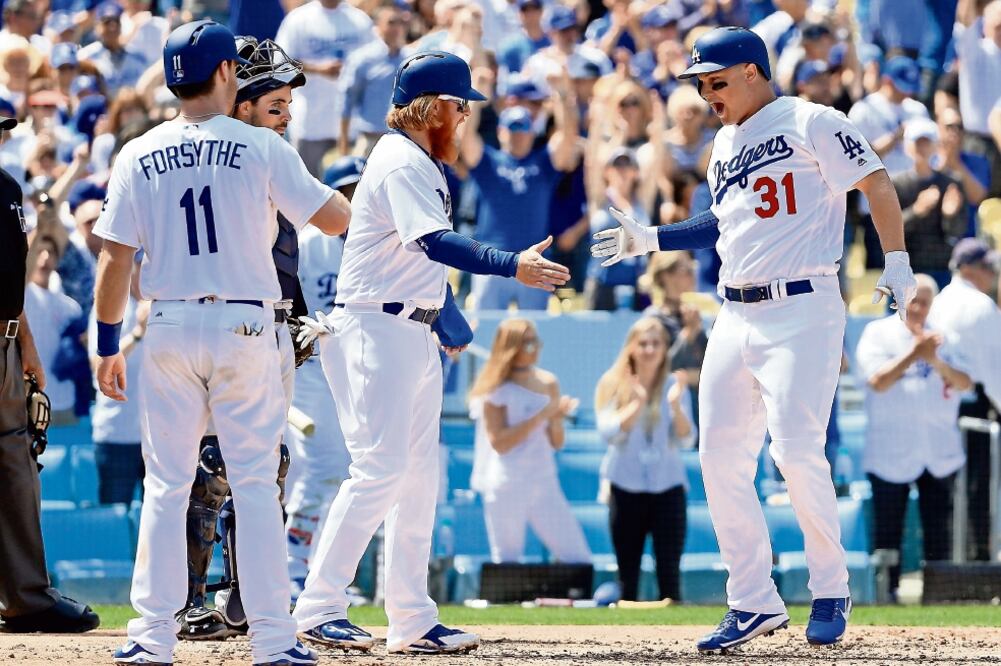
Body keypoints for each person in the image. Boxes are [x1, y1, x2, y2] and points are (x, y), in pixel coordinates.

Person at [592, 27, 916, 651]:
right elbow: (723, 217)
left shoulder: (811, 119)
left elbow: (874, 180)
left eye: (716, 80)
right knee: (718, 459)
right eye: (699, 83)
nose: (706, 93)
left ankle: (830, 587)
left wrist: (895, 261)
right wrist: (653, 238)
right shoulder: (724, 142)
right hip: (734, 312)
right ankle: (752, 601)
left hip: (803, 305)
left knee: (795, 452)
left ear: (751, 71)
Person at [291, 51, 569, 655]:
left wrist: (443, 312)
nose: (466, 117)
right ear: (434, 107)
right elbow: (434, 241)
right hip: (375, 329)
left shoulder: (417, 161)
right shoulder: (399, 159)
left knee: (418, 481)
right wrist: (509, 264)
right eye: (460, 105)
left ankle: (411, 617)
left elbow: (413, 255)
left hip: (406, 327)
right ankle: (317, 606)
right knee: (380, 471)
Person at [92, 20, 349, 666]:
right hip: (244, 324)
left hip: (171, 324)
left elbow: (114, 260)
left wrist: (106, 343)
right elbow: (331, 218)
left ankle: (151, 639)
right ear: (227, 75)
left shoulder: (137, 151)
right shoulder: (260, 146)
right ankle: (272, 639)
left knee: (166, 486)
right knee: (256, 485)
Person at [174, 34, 319, 642]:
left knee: (267, 466)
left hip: (265, 329)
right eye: (273, 107)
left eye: (288, 108)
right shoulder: (219, 162)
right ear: (239, 104)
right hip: (212, 328)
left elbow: (284, 259)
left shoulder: (270, 158)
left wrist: (300, 315)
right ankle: (189, 602)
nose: (284, 120)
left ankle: (241, 598)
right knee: (209, 469)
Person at [0, 109, 100, 635]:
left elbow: (10, 281)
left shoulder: (6, 187)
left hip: (5, 340)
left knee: (15, 463)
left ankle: (26, 599)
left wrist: (26, 346)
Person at [856, 274, 972, 600]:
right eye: (913, 300)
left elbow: (965, 382)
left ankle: (938, 595)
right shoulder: (877, 333)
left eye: (925, 301)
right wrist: (913, 353)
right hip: (890, 450)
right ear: (899, 300)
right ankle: (886, 593)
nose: (919, 308)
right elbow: (876, 381)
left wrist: (933, 358)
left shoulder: (946, 337)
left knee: (938, 532)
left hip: (938, 449)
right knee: (888, 529)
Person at [284, 156, 362, 597]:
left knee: (350, 473)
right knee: (320, 470)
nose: (352, 200)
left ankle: (325, 574)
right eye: (345, 191)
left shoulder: (375, 243)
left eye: (358, 191)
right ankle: (295, 568)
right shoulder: (310, 244)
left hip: (354, 371)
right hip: (313, 368)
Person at [468, 318, 589, 564]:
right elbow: (500, 443)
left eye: (535, 341)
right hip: (507, 483)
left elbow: (556, 442)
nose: (535, 347)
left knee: (577, 556)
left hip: (543, 479)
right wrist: (542, 415)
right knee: (507, 558)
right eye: (528, 342)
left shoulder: (548, 382)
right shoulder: (495, 389)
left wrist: (556, 419)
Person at [460, 65, 579, 311]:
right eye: (511, 128)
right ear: (501, 131)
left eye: (523, 128)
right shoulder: (488, 161)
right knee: (485, 329)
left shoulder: (543, 162)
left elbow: (568, 137)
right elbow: (465, 138)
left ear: (531, 132)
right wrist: (478, 97)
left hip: (534, 260)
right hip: (490, 260)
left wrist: (563, 95)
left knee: (532, 331)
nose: (518, 135)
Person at [595, 317, 694, 602]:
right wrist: (636, 403)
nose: (650, 350)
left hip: (668, 485)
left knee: (669, 574)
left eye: (656, 344)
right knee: (627, 575)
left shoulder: (674, 384)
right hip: (626, 486)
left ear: (665, 349)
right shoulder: (613, 383)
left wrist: (676, 407)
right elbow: (609, 432)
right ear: (632, 347)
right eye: (643, 344)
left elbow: (687, 438)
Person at [929, 238, 1001, 562]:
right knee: (979, 485)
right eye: (988, 267)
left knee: (950, 482)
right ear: (969, 268)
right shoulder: (981, 305)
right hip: (976, 402)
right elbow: (994, 367)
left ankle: (950, 559)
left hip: (943, 402)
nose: (993, 274)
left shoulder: (939, 301)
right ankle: (978, 558)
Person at [275, 0, 375, 175]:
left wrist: (351, 69)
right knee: (306, 188)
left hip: (352, 126)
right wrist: (317, 68)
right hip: (311, 125)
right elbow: (280, 63)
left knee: (348, 192)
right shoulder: (298, 19)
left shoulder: (360, 20)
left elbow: (375, 61)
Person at [87, 254, 148, 505]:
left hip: (159, 438)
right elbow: (97, 364)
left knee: (162, 525)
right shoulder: (108, 307)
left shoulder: (170, 308)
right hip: (116, 435)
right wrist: (137, 333)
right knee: (113, 521)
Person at [891, 118, 967, 288]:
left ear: (935, 146)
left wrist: (950, 215)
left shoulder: (951, 182)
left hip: (941, 268)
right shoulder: (895, 184)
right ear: (907, 146)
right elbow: (888, 230)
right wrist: (917, 211)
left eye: (927, 143)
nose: (922, 148)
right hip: (905, 267)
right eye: (917, 143)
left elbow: (957, 231)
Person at [338, 2, 409, 157]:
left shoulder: (409, 59)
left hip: (402, 141)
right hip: (369, 140)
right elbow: (347, 102)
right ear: (378, 25)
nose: (397, 28)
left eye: (401, 22)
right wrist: (343, 146)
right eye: (391, 22)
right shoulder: (362, 60)